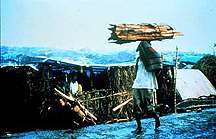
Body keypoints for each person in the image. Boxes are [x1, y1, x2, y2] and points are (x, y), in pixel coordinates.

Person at [132, 41, 161, 133]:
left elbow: (158, 69)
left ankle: (156, 118)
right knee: (136, 108)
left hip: (147, 84)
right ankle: (139, 126)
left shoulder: (153, 57)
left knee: (148, 108)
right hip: (137, 84)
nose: (140, 51)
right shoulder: (138, 59)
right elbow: (136, 71)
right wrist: (135, 80)